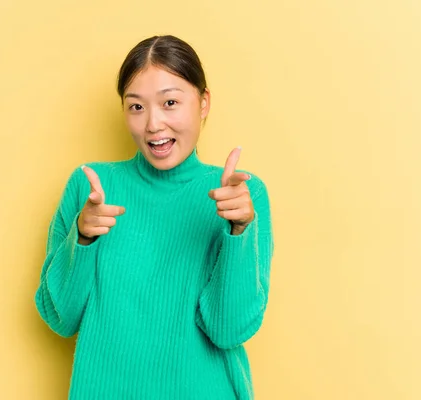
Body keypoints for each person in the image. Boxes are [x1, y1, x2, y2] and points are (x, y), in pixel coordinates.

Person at [34, 34, 274, 400]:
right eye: (136, 107)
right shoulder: (91, 188)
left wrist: (239, 232)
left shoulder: (241, 196)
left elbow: (229, 329)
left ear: (204, 102)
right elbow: (60, 318)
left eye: (170, 102)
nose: (153, 124)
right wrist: (81, 240)